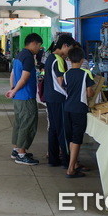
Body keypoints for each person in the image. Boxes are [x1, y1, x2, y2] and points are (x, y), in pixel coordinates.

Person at [5, 33, 43, 165]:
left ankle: (16, 149)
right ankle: (21, 154)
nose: (39, 48)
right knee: (28, 124)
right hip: (26, 97)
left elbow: (13, 74)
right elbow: (25, 76)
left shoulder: (19, 55)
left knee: (19, 123)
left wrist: (13, 89)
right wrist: (14, 90)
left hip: (18, 97)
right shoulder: (28, 57)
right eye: (39, 45)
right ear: (33, 43)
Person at [62, 46, 95, 178]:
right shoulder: (86, 74)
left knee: (71, 138)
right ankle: (71, 169)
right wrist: (92, 91)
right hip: (79, 109)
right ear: (82, 60)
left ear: (69, 59)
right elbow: (89, 92)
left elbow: (66, 90)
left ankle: (74, 163)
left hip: (67, 108)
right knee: (77, 139)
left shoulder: (66, 74)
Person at [44, 34, 76, 168]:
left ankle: (53, 159)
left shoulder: (50, 58)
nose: (70, 53)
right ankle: (68, 162)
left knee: (53, 129)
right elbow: (61, 81)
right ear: (65, 46)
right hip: (59, 98)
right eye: (71, 49)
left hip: (50, 98)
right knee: (63, 130)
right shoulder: (58, 60)